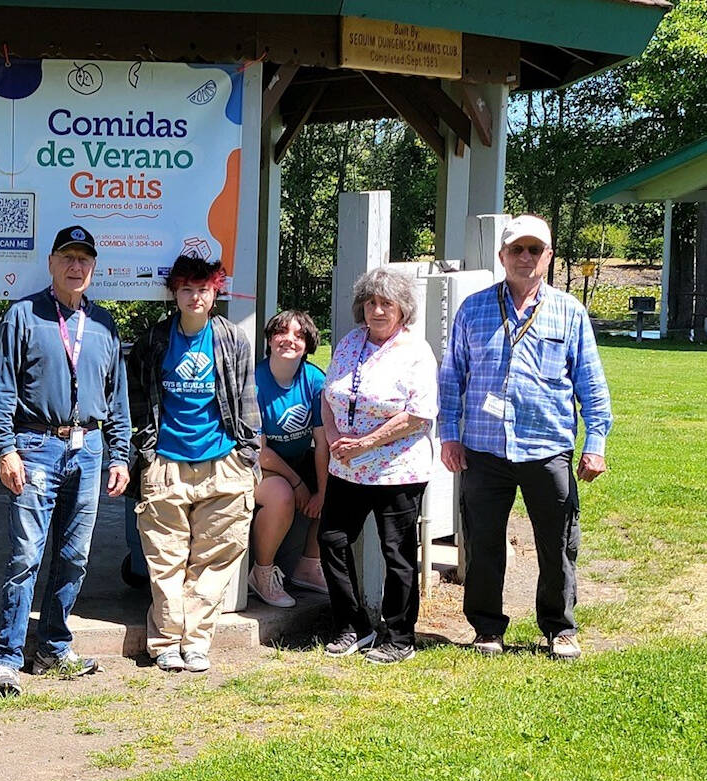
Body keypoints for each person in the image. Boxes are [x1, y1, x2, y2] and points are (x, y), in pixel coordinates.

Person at [439, 214, 612, 660]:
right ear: (502, 256)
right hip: (483, 448)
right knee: (482, 542)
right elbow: (452, 376)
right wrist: (449, 435)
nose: (525, 257)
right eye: (517, 249)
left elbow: (592, 384)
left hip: (547, 447)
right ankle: (486, 628)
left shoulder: (569, 311)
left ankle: (560, 628)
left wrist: (595, 443)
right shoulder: (473, 309)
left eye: (535, 249)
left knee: (558, 543)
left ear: (548, 257)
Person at [0, 225, 132, 697]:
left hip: (88, 449)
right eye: (67, 257)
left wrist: (120, 455)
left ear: (94, 268)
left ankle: (52, 648)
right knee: (26, 556)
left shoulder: (104, 324)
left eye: (84, 259)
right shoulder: (23, 315)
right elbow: (2, 389)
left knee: (74, 557)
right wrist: (5, 448)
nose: (75, 266)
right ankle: (8, 659)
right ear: (50, 263)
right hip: (35, 446)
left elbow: (118, 398)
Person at [126, 255, 259, 674]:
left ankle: (197, 642)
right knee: (165, 559)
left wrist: (248, 455)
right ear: (175, 293)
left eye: (203, 289)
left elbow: (247, 399)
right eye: (186, 289)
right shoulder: (155, 339)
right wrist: (145, 450)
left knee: (214, 560)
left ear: (216, 292)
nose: (195, 297)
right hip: (166, 463)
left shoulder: (233, 339)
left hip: (223, 462)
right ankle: (166, 642)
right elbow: (136, 396)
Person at [318, 267, 438, 665]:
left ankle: (400, 637)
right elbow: (329, 396)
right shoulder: (350, 342)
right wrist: (334, 439)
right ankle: (353, 626)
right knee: (332, 540)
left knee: (396, 553)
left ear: (403, 309)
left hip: (396, 469)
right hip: (346, 467)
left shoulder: (416, 351)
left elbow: (419, 414)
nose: (378, 310)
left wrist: (366, 443)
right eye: (371, 302)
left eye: (387, 303)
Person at [248, 310, 329, 608]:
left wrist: (321, 493)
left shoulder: (315, 380)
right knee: (281, 494)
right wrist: (297, 484)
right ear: (270, 340)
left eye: (299, 335)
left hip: (297, 460)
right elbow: (259, 451)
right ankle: (261, 574)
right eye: (281, 332)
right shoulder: (254, 381)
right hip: (257, 465)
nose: (289, 340)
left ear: (308, 345)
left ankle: (309, 565)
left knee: (338, 486)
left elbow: (322, 444)